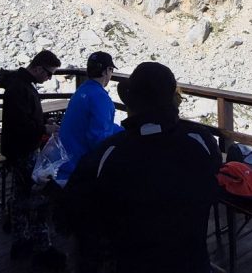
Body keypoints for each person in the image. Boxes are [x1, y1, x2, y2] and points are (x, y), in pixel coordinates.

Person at [64, 61, 222, 273]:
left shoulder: (108, 154)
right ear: (172, 101)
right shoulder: (203, 143)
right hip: (192, 264)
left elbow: (73, 212)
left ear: (131, 105)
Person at [0, 49, 66, 268]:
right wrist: (45, 127)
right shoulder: (21, 89)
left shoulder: (17, 85)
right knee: (38, 198)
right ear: (37, 68)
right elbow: (22, 126)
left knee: (20, 197)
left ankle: (21, 241)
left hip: (16, 150)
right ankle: (42, 248)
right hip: (24, 150)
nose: (49, 78)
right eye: (49, 73)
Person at [54, 51, 122, 185]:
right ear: (106, 71)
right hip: (77, 171)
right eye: (111, 70)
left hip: (64, 163)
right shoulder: (100, 98)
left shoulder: (82, 90)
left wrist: (120, 131)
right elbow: (99, 139)